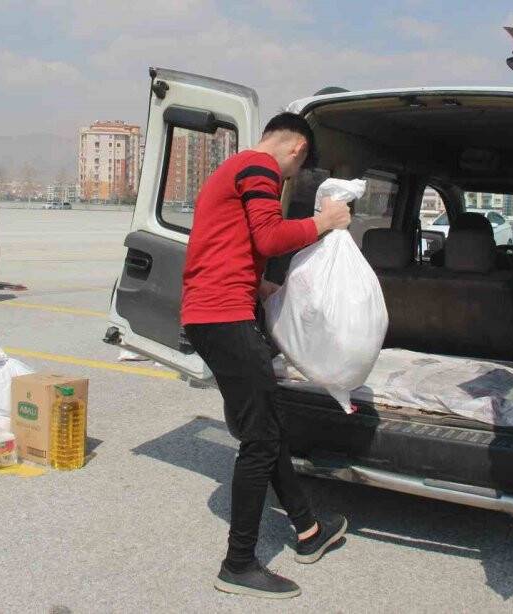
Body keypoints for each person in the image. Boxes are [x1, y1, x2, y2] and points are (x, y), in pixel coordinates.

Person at [181, 112, 353, 599]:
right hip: (224, 318)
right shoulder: (260, 168)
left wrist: (258, 285)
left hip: (212, 311)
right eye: (297, 171)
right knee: (259, 440)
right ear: (297, 149)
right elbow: (270, 237)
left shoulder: (232, 167)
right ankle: (238, 564)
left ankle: (308, 529)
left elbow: (222, 244)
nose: (289, 178)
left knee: (267, 426)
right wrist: (325, 222)